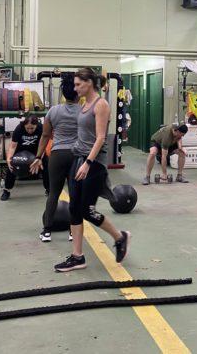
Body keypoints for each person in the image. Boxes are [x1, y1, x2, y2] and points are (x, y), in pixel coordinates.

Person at [54, 68, 129, 272]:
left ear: (89, 83)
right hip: (79, 159)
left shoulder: (101, 104)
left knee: (87, 211)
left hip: (93, 164)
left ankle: (120, 237)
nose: (75, 88)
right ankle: (77, 257)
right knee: (73, 209)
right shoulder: (84, 104)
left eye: (79, 84)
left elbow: (101, 137)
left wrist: (88, 162)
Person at [31, 72, 80, 243]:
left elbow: (45, 136)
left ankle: (46, 231)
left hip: (57, 155)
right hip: (76, 156)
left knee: (53, 193)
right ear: (77, 93)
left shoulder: (53, 111)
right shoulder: (84, 111)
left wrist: (38, 156)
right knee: (75, 194)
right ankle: (73, 232)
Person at [1, 115, 49, 201]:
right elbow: (12, 146)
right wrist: (9, 159)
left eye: (32, 128)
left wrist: (40, 158)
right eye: (27, 128)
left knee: (45, 166)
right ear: (24, 125)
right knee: (11, 167)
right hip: (20, 151)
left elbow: (43, 145)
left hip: (37, 151)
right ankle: (6, 191)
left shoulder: (41, 128)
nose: (30, 130)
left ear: (36, 125)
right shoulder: (19, 129)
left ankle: (49, 190)